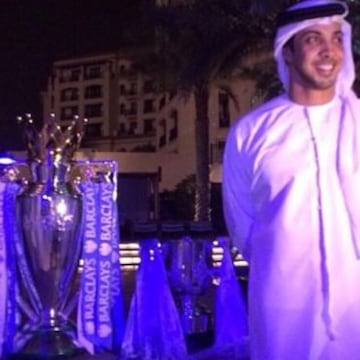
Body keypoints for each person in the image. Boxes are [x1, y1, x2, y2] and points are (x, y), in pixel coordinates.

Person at [222, 0, 360, 359]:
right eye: (314, 39)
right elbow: (242, 226)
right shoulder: (250, 132)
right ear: (288, 51)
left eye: (336, 39)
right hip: (284, 309)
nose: (329, 50)